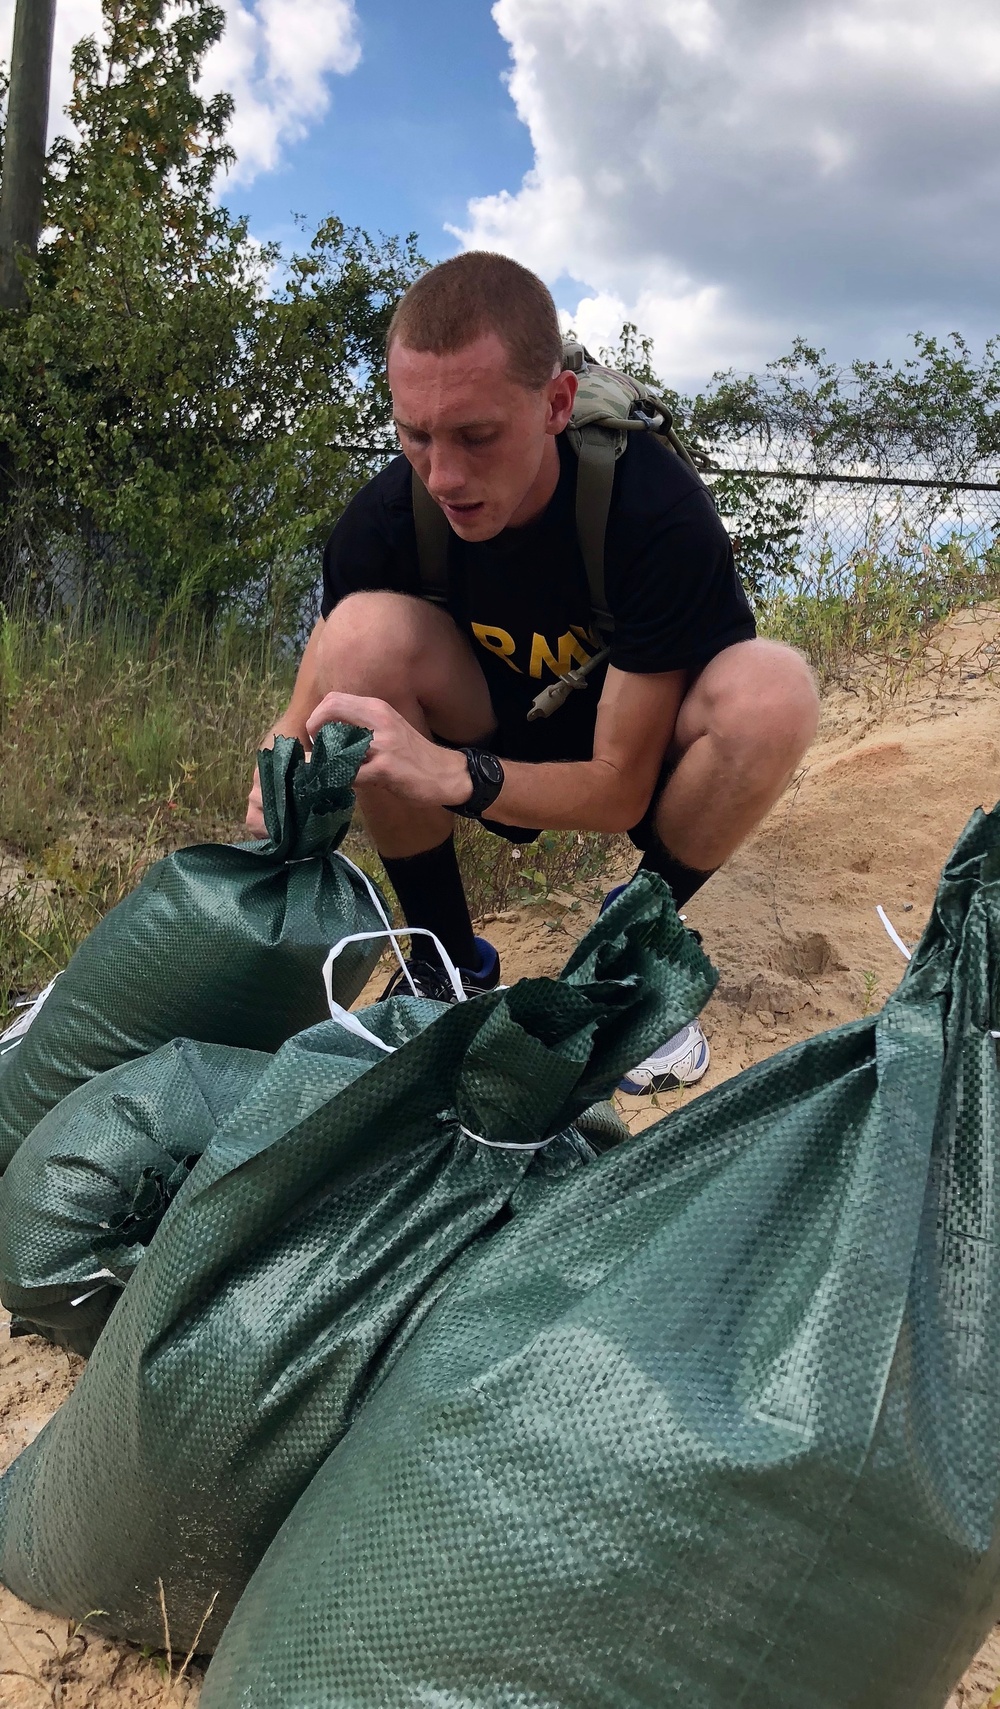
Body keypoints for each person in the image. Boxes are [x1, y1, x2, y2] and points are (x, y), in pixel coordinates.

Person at [246, 252, 819, 1092]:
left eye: (477, 435)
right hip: (487, 712)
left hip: (633, 738)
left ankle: (625, 954)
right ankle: (446, 963)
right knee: (359, 635)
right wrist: (279, 767)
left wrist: (452, 773)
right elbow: (321, 680)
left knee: (775, 693)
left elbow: (619, 788)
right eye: (415, 434)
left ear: (555, 404)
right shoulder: (381, 521)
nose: (443, 476)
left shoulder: (656, 512)